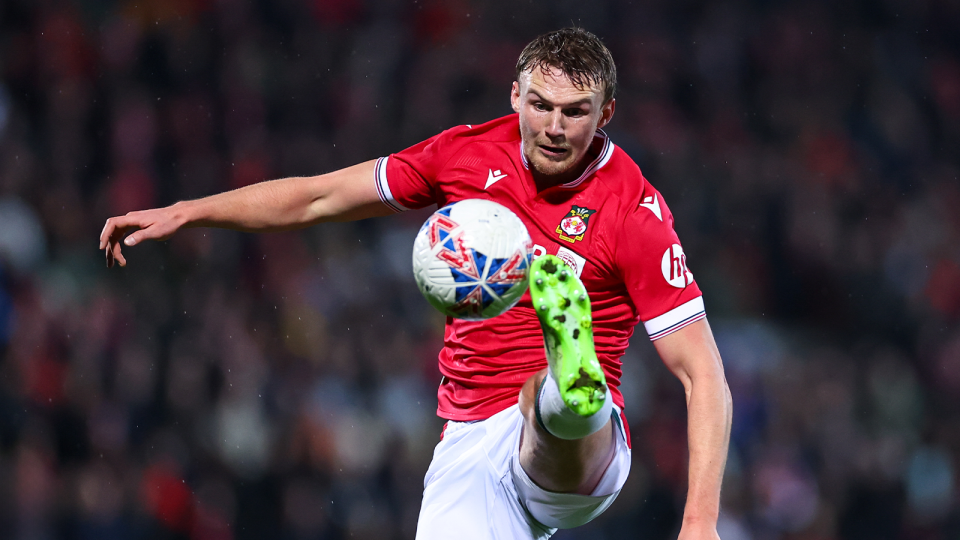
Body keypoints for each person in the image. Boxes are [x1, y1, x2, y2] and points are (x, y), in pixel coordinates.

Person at [100, 27, 732, 540]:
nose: (555, 127)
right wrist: (187, 209)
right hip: (468, 439)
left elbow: (702, 372)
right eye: (540, 105)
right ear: (514, 95)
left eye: (576, 113)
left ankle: (569, 384)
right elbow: (317, 198)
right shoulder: (464, 155)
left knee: (551, 416)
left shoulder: (634, 211)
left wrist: (699, 520)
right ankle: (560, 392)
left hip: (582, 459)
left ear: (607, 112)